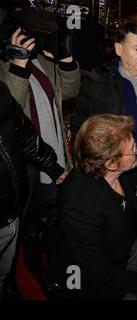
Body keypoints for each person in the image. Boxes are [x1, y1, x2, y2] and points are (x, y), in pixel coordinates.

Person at [48, 114, 137, 299]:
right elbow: (99, 276)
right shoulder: (79, 206)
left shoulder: (125, 170)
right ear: (111, 163)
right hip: (90, 280)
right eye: (133, 149)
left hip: (124, 248)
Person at [72, 23, 137, 183]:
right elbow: (80, 127)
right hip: (108, 172)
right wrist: (95, 166)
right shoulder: (98, 81)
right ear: (119, 49)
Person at [0, 6, 80, 211]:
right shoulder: (3, 66)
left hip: (54, 152)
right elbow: (11, 109)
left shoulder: (43, 61)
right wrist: (19, 63)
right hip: (25, 161)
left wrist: (66, 59)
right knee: (28, 221)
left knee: (51, 221)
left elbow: (69, 92)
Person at [0, 81, 66, 299]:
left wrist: (54, 167)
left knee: (5, 270)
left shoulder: (0, 91)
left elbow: (25, 134)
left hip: (10, 209)